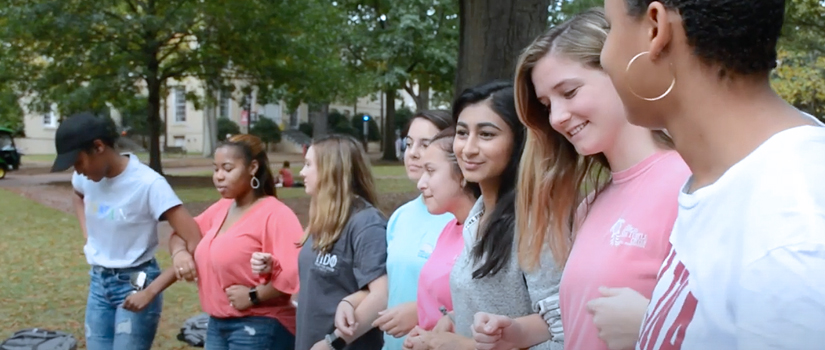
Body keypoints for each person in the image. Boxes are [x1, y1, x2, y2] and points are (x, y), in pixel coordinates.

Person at [599, 0, 825, 349]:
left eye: (610, 27)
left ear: (655, 30)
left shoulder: (792, 236)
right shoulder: (727, 182)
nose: (604, 55)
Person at [473, 8, 690, 350]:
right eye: (546, 104)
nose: (557, 118)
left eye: (569, 92)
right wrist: (520, 333)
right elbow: (585, 319)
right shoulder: (589, 205)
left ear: (618, 70)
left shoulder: (689, 187)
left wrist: (653, 328)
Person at [404, 81, 541, 350]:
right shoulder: (476, 218)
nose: (468, 148)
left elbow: (563, 332)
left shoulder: (535, 223)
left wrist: (463, 345)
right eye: (462, 133)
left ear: (519, 140)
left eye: (487, 134)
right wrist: (452, 319)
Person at [53, 112, 202, 350]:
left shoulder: (148, 184)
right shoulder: (85, 178)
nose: (77, 170)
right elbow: (77, 194)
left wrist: (151, 291)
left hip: (137, 282)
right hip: (99, 283)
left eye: (78, 162)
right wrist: (87, 234)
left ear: (99, 147)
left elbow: (195, 240)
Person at [168, 134, 304, 350]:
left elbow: (295, 271)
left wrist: (254, 295)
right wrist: (180, 254)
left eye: (228, 169)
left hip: (260, 325)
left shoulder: (276, 214)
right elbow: (180, 234)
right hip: (217, 323)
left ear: (252, 167)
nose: (219, 176)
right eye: (216, 169)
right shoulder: (222, 208)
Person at [294, 134, 389, 350]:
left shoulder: (366, 222)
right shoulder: (324, 218)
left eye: (309, 165)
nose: (302, 172)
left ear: (331, 170)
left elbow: (381, 295)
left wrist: (332, 343)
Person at [372, 110, 455, 350]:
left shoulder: (462, 220)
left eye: (425, 144)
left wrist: (422, 312)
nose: (413, 153)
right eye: (409, 143)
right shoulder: (400, 216)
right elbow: (391, 284)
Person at [412, 127, 478, 333]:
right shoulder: (449, 228)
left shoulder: (487, 235)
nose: (421, 184)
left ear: (462, 174)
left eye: (430, 171)